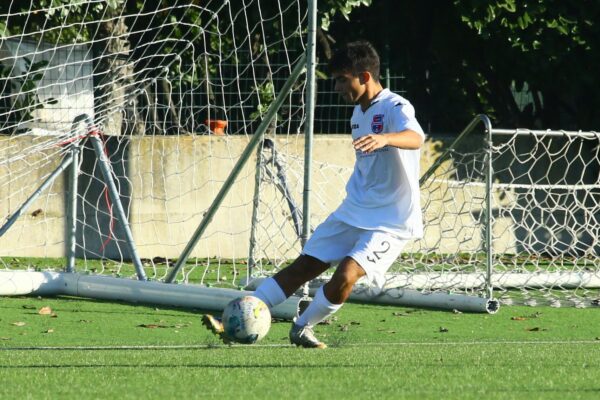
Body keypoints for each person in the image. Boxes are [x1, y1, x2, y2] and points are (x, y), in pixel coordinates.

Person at [203, 40, 425, 348]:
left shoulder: (396, 106)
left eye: (341, 79)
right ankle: (235, 318)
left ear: (364, 76)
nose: (336, 87)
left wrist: (386, 137)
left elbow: (416, 137)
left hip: (390, 219)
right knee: (304, 267)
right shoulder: (358, 115)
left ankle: (303, 325)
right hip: (354, 210)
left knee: (347, 274)